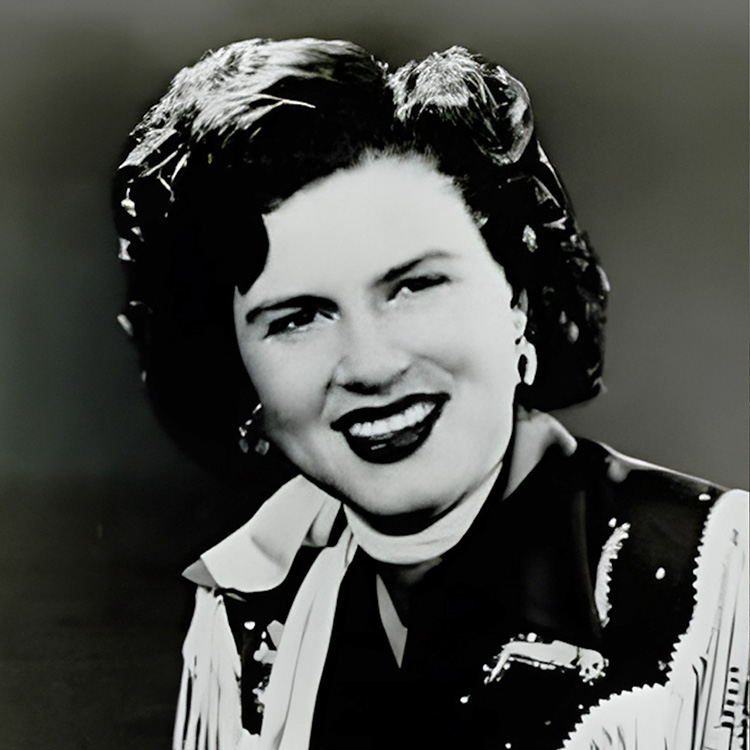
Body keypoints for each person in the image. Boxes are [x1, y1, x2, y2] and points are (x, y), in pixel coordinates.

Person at [112, 38, 748, 750]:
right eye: (297, 318)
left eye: (414, 285)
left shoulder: (725, 586)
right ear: (238, 369)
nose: (372, 366)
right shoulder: (247, 610)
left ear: (517, 300)